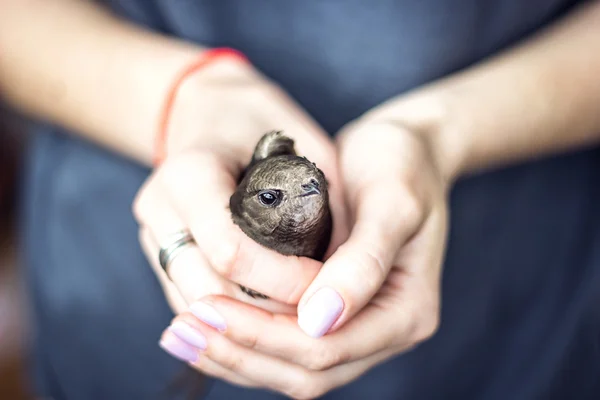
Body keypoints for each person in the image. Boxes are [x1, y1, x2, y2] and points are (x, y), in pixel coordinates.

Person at [1, 0, 599, 399]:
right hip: (121, 236)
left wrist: (441, 133)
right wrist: (179, 98)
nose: (310, 192)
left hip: (509, 277)